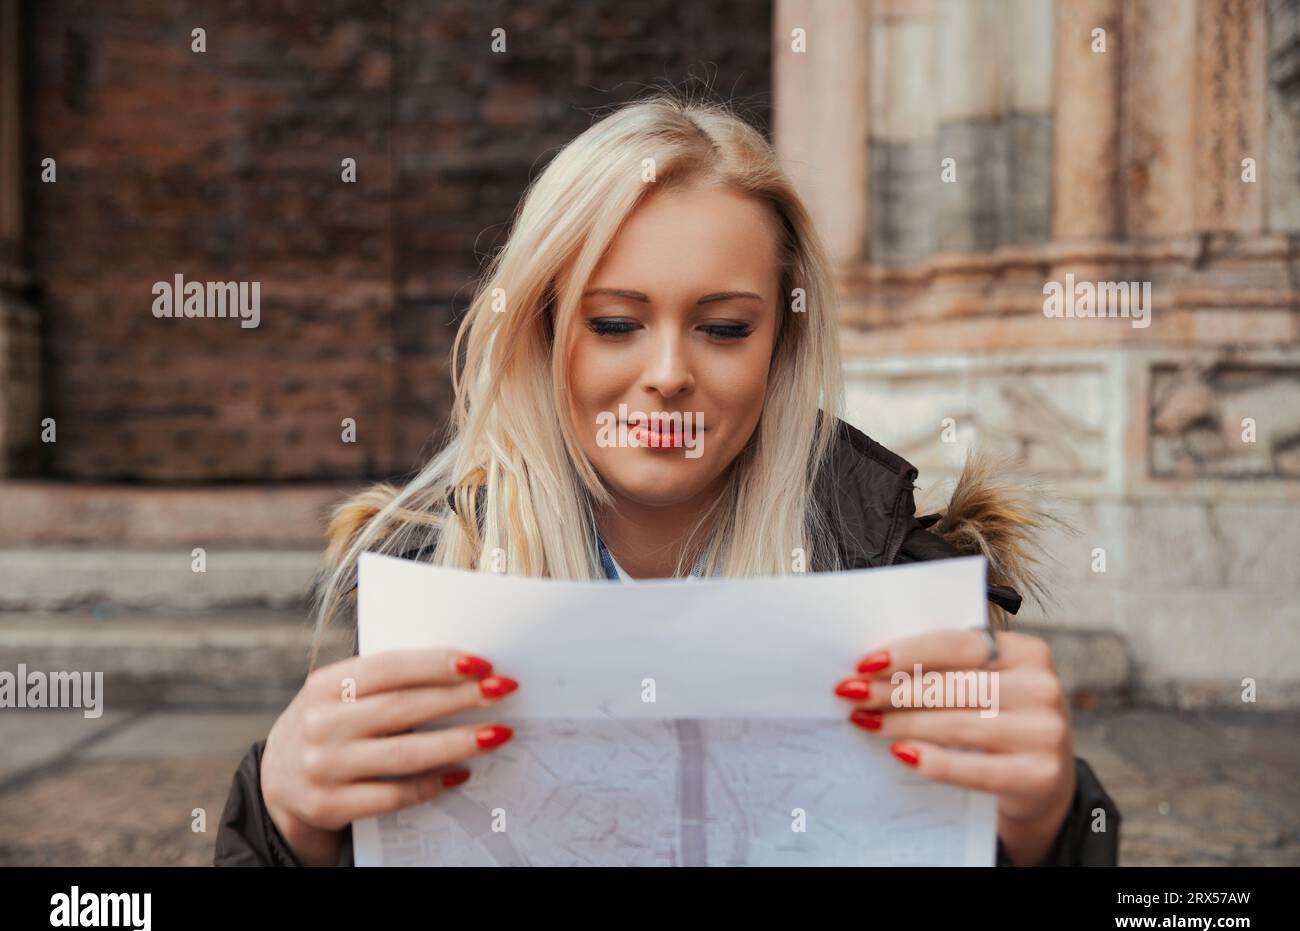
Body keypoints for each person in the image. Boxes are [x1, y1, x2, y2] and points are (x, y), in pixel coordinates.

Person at [215, 93, 1120, 867]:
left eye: (724, 329)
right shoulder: (429, 577)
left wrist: (1046, 826)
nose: (668, 372)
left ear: (782, 346)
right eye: (614, 323)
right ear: (539, 332)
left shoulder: (907, 586)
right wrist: (287, 820)